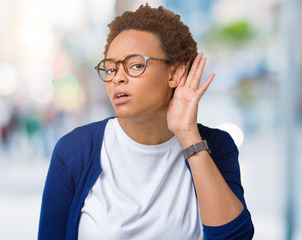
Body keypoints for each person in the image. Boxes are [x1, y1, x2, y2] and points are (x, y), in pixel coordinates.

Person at [38, 4, 254, 240]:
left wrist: (187, 134)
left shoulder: (216, 145)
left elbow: (235, 236)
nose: (118, 78)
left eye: (136, 65)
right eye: (110, 69)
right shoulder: (75, 150)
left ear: (174, 74)